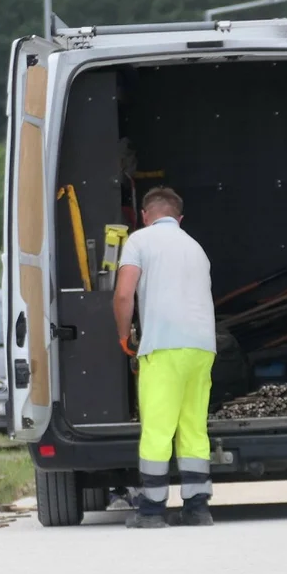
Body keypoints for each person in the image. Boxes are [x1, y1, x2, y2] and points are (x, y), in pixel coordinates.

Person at [113, 186, 217, 529]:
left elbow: (124, 294)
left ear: (145, 215)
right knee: (193, 427)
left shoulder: (139, 241)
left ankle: (153, 510)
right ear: (179, 217)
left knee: (158, 428)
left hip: (163, 345)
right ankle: (197, 507)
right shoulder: (196, 247)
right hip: (202, 347)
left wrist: (123, 335)